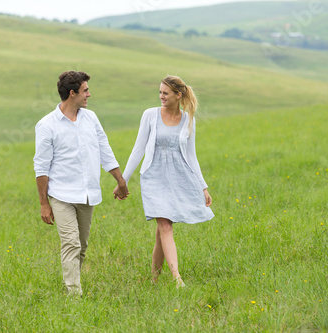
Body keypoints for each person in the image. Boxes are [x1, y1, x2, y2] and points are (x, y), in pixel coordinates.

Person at [34, 71, 129, 296]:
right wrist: (44, 203)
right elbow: (41, 168)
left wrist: (120, 180)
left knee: (82, 247)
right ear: (72, 93)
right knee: (71, 244)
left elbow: (105, 150)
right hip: (61, 195)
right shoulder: (47, 125)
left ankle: (72, 284)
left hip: (87, 194)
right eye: (85, 90)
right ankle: (74, 295)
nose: (89, 94)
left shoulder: (91, 118)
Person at [115, 75, 214, 288]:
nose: (161, 96)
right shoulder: (150, 115)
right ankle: (177, 278)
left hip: (178, 176)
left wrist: (203, 186)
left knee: (163, 229)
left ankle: (154, 279)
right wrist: (123, 180)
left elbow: (191, 155)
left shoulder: (189, 119)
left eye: (165, 93)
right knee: (165, 224)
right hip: (153, 176)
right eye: (160, 92)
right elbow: (138, 149)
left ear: (178, 95)